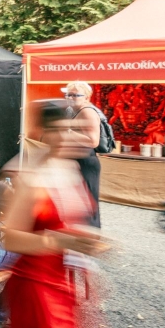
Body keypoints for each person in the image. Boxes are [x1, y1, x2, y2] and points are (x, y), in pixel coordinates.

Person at [3, 100, 107, 328]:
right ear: (43, 133)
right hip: (34, 282)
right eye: (58, 131)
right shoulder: (31, 177)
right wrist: (58, 240)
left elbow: (69, 222)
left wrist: (86, 240)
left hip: (61, 280)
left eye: (71, 129)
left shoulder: (71, 168)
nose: (66, 137)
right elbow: (10, 238)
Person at [64, 81, 102, 227]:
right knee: (79, 199)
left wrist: (68, 132)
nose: (71, 98)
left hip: (86, 161)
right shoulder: (75, 111)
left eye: (75, 95)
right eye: (68, 94)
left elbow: (93, 141)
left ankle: (91, 232)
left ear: (86, 97)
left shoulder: (87, 112)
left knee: (88, 200)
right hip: (78, 159)